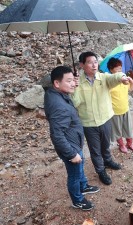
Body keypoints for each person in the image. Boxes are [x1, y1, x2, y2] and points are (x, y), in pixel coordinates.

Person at [71, 52, 133, 185]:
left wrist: (122, 77)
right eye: (90, 62)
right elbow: (75, 103)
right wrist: (74, 88)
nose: (94, 65)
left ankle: (108, 160)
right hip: (88, 123)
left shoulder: (103, 78)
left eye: (95, 61)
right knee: (95, 149)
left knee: (105, 145)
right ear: (82, 65)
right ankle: (100, 171)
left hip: (105, 119)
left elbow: (115, 77)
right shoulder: (78, 83)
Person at [44, 66, 99, 211]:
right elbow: (57, 135)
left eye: (73, 81)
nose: (73, 83)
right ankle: (77, 200)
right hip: (70, 147)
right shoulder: (58, 106)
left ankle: (84, 186)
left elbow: (67, 89)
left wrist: (71, 83)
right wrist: (71, 154)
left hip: (74, 141)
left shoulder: (55, 93)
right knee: (74, 175)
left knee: (80, 167)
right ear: (57, 83)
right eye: (69, 81)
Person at [107, 58, 133, 153]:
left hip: (125, 108)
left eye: (120, 68)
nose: (120, 71)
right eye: (117, 69)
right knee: (117, 130)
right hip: (115, 111)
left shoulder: (124, 78)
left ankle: (130, 143)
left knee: (128, 128)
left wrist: (132, 81)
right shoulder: (109, 81)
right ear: (111, 69)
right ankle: (121, 145)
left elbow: (130, 89)